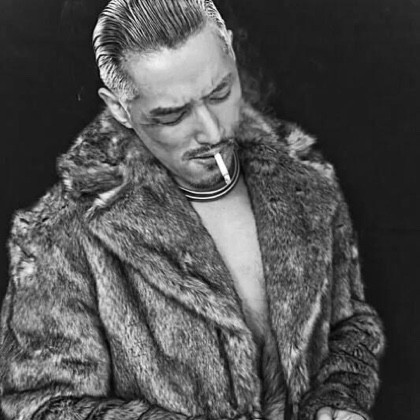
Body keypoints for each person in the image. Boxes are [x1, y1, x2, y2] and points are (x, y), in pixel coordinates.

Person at [0, 1, 385, 420]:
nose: (213, 130)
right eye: (172, 115)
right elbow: (43, 406)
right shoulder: (61, 236)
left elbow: (350, 325)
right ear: (119, 109)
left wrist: (337, 398)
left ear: (230, 51)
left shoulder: (306, 180)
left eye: (220, 92)